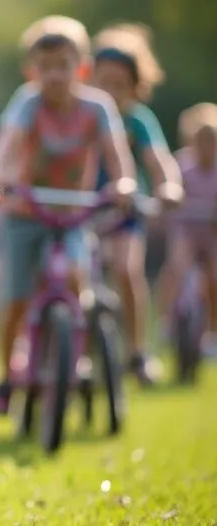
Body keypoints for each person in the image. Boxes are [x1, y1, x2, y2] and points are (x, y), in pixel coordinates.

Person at [0, 15, 136, 416]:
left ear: (81, 68)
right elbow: (7, 144)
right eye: (45, 66)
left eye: (63, 65)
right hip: (25, 211)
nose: (54, 75)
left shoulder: (97, 107)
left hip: (72, 213)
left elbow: (117, 155)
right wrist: (0, 178)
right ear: (31, 70)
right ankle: (6, 376)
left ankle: (77, 357)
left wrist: (123, 184)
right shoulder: (27, 103)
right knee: (15, 298)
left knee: (76, 278)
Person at [89, 23, 183, 385]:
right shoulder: (84, 114)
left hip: (125, 212)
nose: (110, 93)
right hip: (81, 208)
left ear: (136, 89)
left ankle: (137, 351)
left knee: (127, 269)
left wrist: (169, 187)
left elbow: (159, 160)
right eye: (103, 82)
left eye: (119, 85)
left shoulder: (139, 121)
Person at [157, 102, 217, 357]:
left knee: (214, 277)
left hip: (212, 232)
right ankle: (166, 320)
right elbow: (169, 190)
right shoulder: (181, 164)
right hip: (187, 230)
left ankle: (212, 331)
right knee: (176, 267)